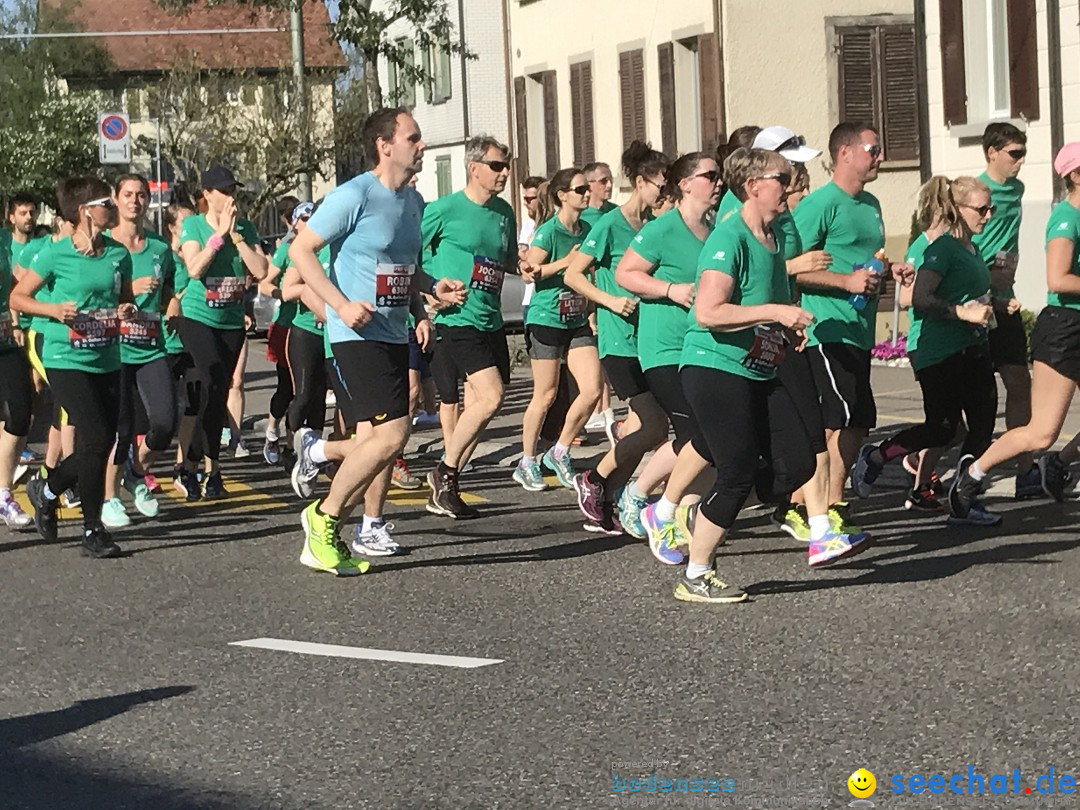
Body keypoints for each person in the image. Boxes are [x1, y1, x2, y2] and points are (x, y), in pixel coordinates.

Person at [674, 148, 869, 604]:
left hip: (759, 365)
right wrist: (776, 311)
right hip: (713, 365)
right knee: (737, 472)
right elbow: (707, 311)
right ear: (753, 185)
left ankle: (714, 503)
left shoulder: (777, 236)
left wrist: (785, 330)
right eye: (782, 178)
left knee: (799, 459)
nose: (791, 185)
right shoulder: (729, 239)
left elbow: (768, 307)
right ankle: (697, 572)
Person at [288, 107, 465, 575]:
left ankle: (328, 490)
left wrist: (429, 294)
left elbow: (404, 267)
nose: (421, 146)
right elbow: (300, 250)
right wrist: (339, 305)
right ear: (385, 145)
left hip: (392, 330)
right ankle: (323, 519)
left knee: (378, 440)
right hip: (353, 333)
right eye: (414, 138)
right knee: (392, 435)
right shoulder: (354, 194)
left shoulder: (413, 202)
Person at [852, 176, 1000, 526]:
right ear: (957, 209)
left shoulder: (972, 248)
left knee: (980, 428)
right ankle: (877, 455)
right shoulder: (940, 248)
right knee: (942, 429)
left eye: (990, 208)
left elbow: (971, 293)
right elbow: (918, 297)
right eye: (981, 209)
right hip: (939, 352)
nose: (988, 216)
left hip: (974, 346)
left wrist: (999, 301)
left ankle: (962, 500)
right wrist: (961, 312)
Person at [951, 143, 1080, 516]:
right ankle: (972, 476)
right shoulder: (1066, 218)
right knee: (1041, 431)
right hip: (1063, 329)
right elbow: (1057, 279)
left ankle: (1057, 465)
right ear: (1074, 175)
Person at [12, 176, 138, 558]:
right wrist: (52, 310)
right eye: (107, 203)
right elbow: (18, 298)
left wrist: (125, 310)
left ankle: (45, 489)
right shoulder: (55, 254)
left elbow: (125, 299)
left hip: (106, 357)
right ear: (85, 212)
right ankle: (91, 530)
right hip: (65, 358)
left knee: (101, 443)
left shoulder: (118, 254)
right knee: (96, 438)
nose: (113, 209)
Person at [792, 122, 913, 509]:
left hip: (860, 327)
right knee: (844, 418)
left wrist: (890, 269)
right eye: (872, 149)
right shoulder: (819, 204)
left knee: (857, 420)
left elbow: (862, 260)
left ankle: (801, 501)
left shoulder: (871, 204)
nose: (881, 157)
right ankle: (827, 505)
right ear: (844, 153)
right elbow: (788, 266)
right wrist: (845, 283)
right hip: (826, 327)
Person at [615, 152, 720, 558]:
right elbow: (626, 273)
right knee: (698, 434)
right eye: (709, 175)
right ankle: (640, 495)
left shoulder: (712, 230)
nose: (717, 181)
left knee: (710, 438)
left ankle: (680, 515)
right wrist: (670, 290)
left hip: (700, 346)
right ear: (684, 183)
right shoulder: (662, 229)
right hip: (662, 349)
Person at [564, 140, 669, 533]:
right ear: (641, 182)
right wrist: (609, 300)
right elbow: (574, 275)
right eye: (661, 184)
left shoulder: (655, 227)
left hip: (650, 341)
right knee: (655, 428)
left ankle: (609, 495)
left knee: (645, 427)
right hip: (619, 341)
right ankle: (593, 478)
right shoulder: (610, 225)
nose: (665, 192)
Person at [423, 135, 520, 518]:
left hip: (489, 316)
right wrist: (432, 294)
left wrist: (525, 263)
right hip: (456, 316)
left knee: (484, 404)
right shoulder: (444, 210)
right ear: (473, 167)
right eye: (497, 166)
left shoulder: (503, 213)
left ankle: (449, 483)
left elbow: (508, 259)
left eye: (506, 166)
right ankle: (444, 471)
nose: (504, 173)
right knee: (492, 396)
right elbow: (411, 256)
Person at [177, 166, 268, 498]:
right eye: (225, 191)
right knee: (212, 381)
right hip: (199, 318)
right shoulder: (193, 226)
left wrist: (237, 237)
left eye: (234, 191)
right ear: (208, 195)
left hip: (231, 321)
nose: (231, 197)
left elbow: (260, 270)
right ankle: (192, 464)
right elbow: (194, 269)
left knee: (216, 394)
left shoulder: (244, 228)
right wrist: (217, 238)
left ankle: (206, 468)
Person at [513, 168, 603, 492]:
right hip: (547, 318)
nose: (586, 194)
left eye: (587, 188)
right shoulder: (548, 232)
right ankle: (526, 461)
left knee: (592, 389)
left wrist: (593, 307)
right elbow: (531, 273)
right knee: (546, 394)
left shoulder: (590, 228)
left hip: (577, 319)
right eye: (580, 189)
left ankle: (560, 450)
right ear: (563, 195)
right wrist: (566, 261)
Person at [100, 174, 178, 528]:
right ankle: (110, 498)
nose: (135, 201)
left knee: (164, 422)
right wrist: (130, 288)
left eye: (141, 195)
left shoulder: (160, 248)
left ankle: (136, 470)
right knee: (120, 429)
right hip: (113, 350)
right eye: (128, 195)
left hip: (150, 346)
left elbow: (170, 289)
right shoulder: (104, 247)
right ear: (116, 200)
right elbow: (94, 294)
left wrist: (173, 304)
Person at [972, 122, 1037, 497]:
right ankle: (937, 460)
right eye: (1014, 154)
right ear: (992, 152)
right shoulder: (977, 191)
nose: (1020, 161)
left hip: (1005, 297)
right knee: (977, 395)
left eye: (1023, 153)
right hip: (976, 300)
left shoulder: (1019, 189)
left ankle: (1025, 468)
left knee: (1019, 381)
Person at [260, 200, 307, 465]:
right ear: (295, 222)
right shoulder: (287, 250)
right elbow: (265, 284)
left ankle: (293, 446)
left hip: (311, 327)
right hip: (286, 327)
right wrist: (284, 294)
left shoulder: (323, 247)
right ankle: (272, 429)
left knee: (305, 390)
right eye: (305, 219)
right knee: (287, 388)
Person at [0, 218, 33, 529]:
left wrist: (16, 321)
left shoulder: (4, 241)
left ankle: (3, 494)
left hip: (5, 342)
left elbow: (15, 283)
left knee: (20, 415)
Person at [518, 176, 544, 323]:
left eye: (530, 199)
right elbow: (522, 255)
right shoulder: (527, 225)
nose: (525, 203)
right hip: (529, 299)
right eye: (525, 199)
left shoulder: (550, 226)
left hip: (544, 300)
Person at [580, 162, 617, 227]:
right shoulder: (579, 216)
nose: (609, 185)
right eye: (603, 181)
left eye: (611, 180)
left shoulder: (617, 212)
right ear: (588, 184)